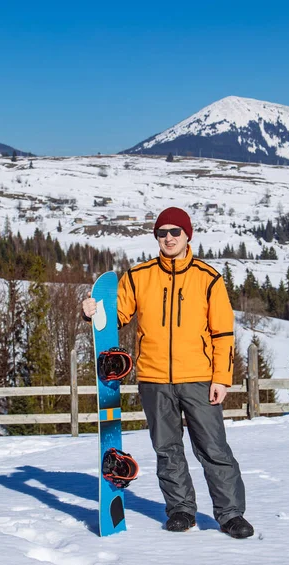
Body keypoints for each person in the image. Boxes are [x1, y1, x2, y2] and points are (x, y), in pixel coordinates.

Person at [82, 207, 254, 538]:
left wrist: (222, 377)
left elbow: (222, 332)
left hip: (199, 378)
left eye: (176, 231)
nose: (170, 237)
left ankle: (231, 514)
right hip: (153, 378)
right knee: (167, 448)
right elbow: (116, 316)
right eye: (163, 232)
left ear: (187, 235)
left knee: (213, 449)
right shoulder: (139, 276)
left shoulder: (208, 278)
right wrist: (93, 311)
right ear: (156, 238)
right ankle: (180, 510)